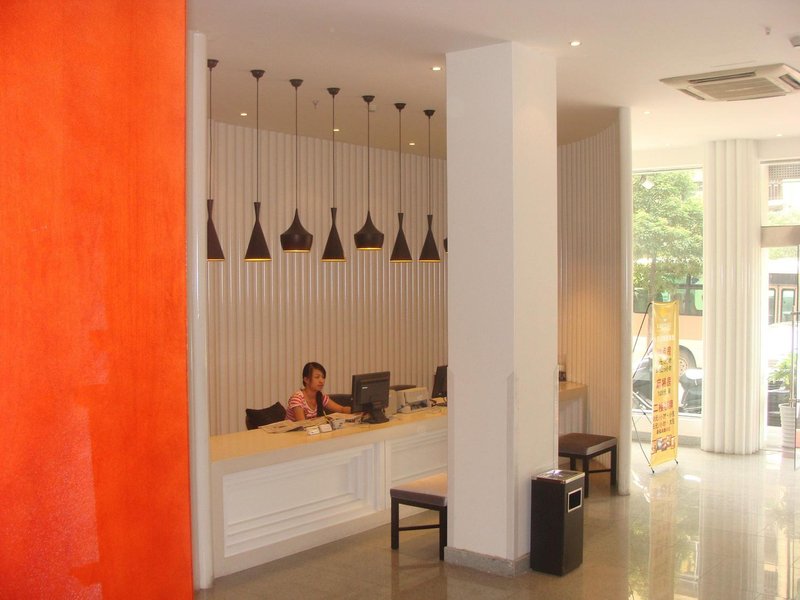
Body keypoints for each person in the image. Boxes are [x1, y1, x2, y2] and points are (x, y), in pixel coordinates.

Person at [286, 362, 353, 422]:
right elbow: (302, 424)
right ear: (306, 380)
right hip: (294, 432)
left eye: (323, 377)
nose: (321, 381)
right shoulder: (297, 398)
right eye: (317, 377)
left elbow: (341, 409)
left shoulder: (321, 397)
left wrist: (356, 410)